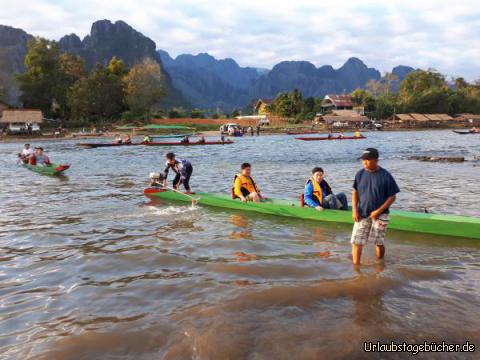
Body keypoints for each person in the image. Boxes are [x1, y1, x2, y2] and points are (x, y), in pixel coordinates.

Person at [350, 148, 400, 265]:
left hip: (381, 215)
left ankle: (380, 263)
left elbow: (392, 197)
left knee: (378, 242)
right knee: (356, 241)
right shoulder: (360, 174)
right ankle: (356, 267)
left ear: (376, 160)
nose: (364, 162)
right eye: (363, 160)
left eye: (367, 160)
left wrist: (378, 211)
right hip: (362, 213)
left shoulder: (386, 176)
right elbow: (354, 192)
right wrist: (354, 210)